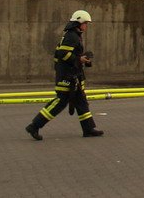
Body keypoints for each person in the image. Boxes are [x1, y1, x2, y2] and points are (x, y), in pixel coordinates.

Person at [25, 10, 104, 139]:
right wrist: (80, 59)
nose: (86, 26)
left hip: (73, 75)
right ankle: (34, 126)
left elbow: (69, 55)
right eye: (85, 23)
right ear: (79, 22)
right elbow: (63, 54)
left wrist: (82, 60)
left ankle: (88, 128)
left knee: (81, 101)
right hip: (66, 76)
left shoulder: (74, 35)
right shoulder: (71, 36)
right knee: (61, 101)